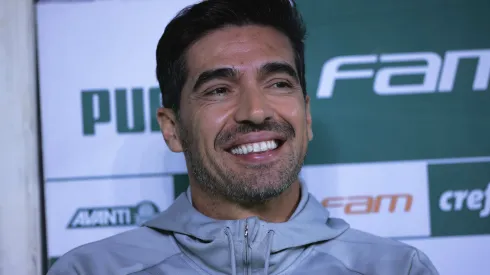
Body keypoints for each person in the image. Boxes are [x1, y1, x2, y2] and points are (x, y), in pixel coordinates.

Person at [47, 0, 439, 274]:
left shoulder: (396, 268)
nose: (255, 111)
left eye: (279, 82)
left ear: (307, 114)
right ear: (172, 128)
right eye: (219, 89)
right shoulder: (90, 270)